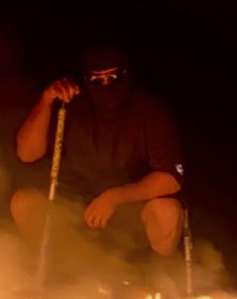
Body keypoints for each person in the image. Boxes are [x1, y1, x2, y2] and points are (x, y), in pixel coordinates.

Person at [10, 43, 186, 264]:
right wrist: (46, 100)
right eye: (96, 79)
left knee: (167, 212)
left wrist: (114, 197)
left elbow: (171, 178)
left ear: (126, 74)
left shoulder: (149, 110)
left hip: (129, 204)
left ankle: (159, 275)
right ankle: (59, 270)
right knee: (24, 202)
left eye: (113, 77)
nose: (105, 85)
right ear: (85, 79)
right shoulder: (70, 104)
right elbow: (27, 154)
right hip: (74, 203)